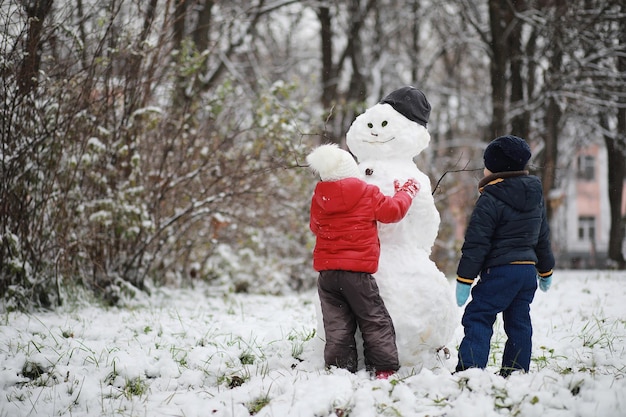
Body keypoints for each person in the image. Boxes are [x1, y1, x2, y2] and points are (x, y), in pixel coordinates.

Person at [307, 143, 420, 379]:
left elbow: (315, 227)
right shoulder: (367, 192)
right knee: (373, 319)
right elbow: (392, 212)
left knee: (337, 325)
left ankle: (340, 369)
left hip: (327, 274)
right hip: (356, 273)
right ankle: (384, 367)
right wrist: (405, 192)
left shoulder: (320, 196)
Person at [455, 135, 555, 377]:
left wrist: (464, 279)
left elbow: (477, 243)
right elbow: (542, 237)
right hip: (526, 272)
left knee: (479, 315)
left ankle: (470, 370)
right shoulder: (535, 197)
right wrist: (546, 270)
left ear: (495, 167)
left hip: (500, 270)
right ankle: (516, 370)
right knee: (519, 320)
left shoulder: (490, 198)